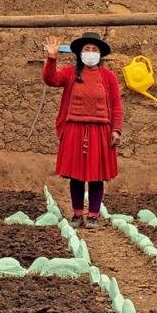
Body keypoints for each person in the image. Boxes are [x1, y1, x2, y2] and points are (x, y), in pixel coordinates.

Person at [42, 32, 123, 228]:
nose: (90, 52)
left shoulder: (108, 77)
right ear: (80, 53)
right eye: (87, 49)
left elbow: (116, 104)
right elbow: (50, 79)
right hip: (74, 129)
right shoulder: (70, 73)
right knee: (76, 175)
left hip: (100, 131)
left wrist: (116, 129)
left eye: (94, 50)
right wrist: (52, 58)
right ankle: (77, 214)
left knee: (96, 175)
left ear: (100, 54)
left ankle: (93, 215)